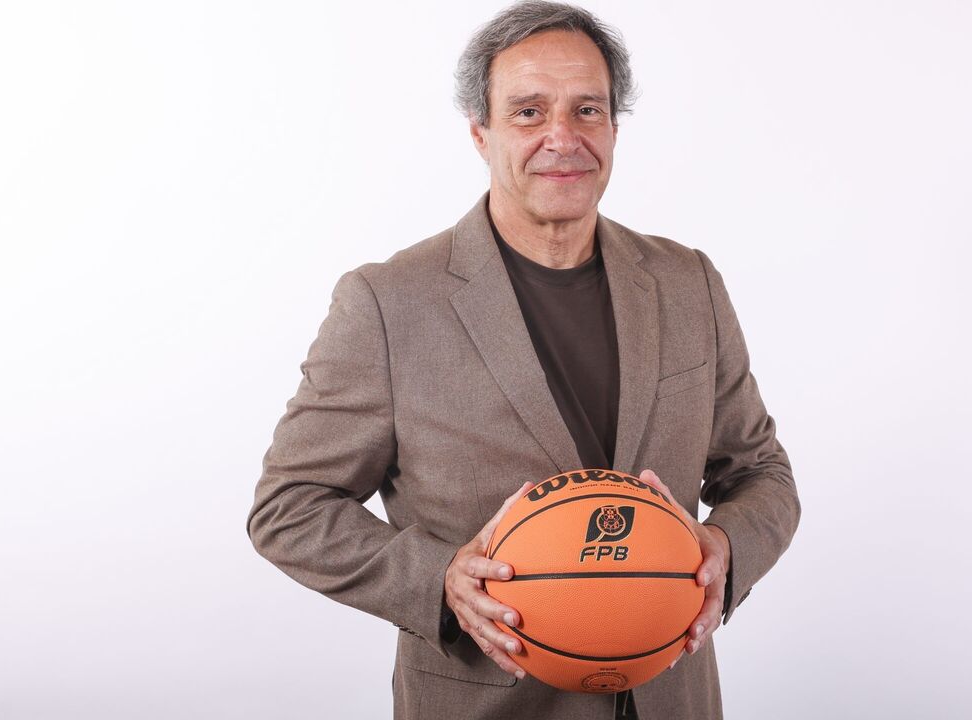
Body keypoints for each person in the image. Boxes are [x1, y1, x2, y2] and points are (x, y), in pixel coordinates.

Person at [246, 2, 800, 718]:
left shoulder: (687, 282)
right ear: (480, 133)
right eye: (529, 112)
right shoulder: (387, 304)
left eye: (587, 110)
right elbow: (288, 508)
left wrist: (727, 546)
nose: (562, 138)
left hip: (675, 699)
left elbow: (762, 474)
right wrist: (442, 576)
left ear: (614, 128)